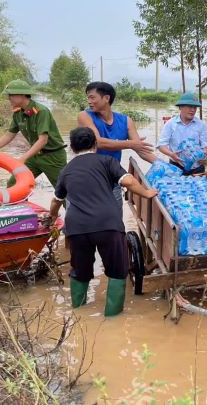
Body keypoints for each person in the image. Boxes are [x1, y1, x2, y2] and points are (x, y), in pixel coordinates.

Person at [49, 127, 157, 316]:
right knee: (116, 271)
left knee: (80, 271)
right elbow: (128, 181)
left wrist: (51, 218)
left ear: (73, 149)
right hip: (107, 225)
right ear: (95, 144)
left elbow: (56, 201)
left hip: (77, 229)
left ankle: (79, 316)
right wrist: (147, 193)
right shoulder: (107, 161)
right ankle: (112, 319)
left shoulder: (66, 171)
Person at [78, 81, 155, 206]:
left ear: (106, 98)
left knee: (114, 220)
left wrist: (163, 164)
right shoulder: (84, 116)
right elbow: (97, 142)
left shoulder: (126, 121)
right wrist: (130, 143)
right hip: (90, 177)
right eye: (88, 98)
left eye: (92, 97)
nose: (89, 101)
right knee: (90, 218)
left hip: (113, 177)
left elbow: (140, 149)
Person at [0, 79, 67, 188]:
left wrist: (23, 158)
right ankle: (18, 205)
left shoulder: (41, 111)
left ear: (22, 94)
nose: (8, 98)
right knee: (14, 184)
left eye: (11, 94)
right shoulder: (18, 113)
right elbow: (9, 135)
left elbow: (43, 140)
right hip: (34, 156)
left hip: (53, 157)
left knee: (64, 191)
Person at [158, 92, 207, 175]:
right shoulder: (171, 124)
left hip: (197, 168)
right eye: (190, 106)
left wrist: (202, 155)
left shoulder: (201, 125)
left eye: (195, 107)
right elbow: (161, 145)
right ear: (181, 107)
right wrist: (171, 154)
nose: (193, 110)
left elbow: (206, 146)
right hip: (176, 166)